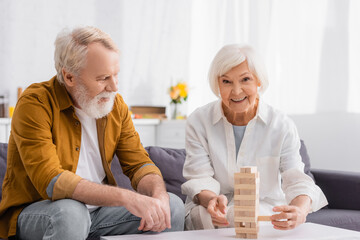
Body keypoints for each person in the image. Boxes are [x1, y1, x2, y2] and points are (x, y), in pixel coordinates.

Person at [0, 26, 185, 240]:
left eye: (116, 75)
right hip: (39, 212)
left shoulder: (116, 106)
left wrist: (158, 196)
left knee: (172, 206)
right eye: (103, 78)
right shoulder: (35, 103)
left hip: (99, 213)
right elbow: (51, 180)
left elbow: (139, 163)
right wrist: (126, 197)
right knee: (71, 214)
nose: (114, 86)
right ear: (69, 77)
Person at [181, 44, 328, 230]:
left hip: (263, 208)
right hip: (210, 209)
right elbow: (199, 177)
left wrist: (299, 211)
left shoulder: (281, 125)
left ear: (259, 81)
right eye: (226, 82)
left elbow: (296, 179)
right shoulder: (199, 121)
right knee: (208, 218)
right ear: (217, 84)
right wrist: (212, 200)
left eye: (245, 79)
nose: (236, 91)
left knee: (258, 219)